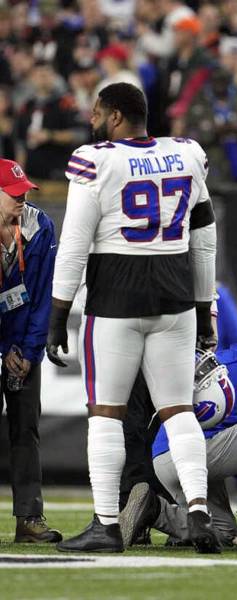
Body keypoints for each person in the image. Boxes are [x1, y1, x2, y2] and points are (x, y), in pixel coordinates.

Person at [46, 82, 219, 554]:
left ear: (117, 116)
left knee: (105, 413)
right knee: (178, 410)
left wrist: (58, 313)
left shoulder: (96, 160)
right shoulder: (186, 153)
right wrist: (205, 308)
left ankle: (106, 525)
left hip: (117, 298)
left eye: (98, 111)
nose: (92, 120)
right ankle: (199, 513)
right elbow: (204, 239)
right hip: (176, 294)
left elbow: (75, 243)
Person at [120, 342, 237, 547]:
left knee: (222, 532)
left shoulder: (222, 358)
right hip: (196, 453)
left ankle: (156, 509)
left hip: (163, 456)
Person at [0, 159, 61, 544]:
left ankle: (30, 519)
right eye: (13, 192)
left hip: (22, 343)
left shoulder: (40, 228)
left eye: (24, 192)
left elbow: (41, 299)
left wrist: (27, 352)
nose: (22, 198)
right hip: (5, 343)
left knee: (26, 429)